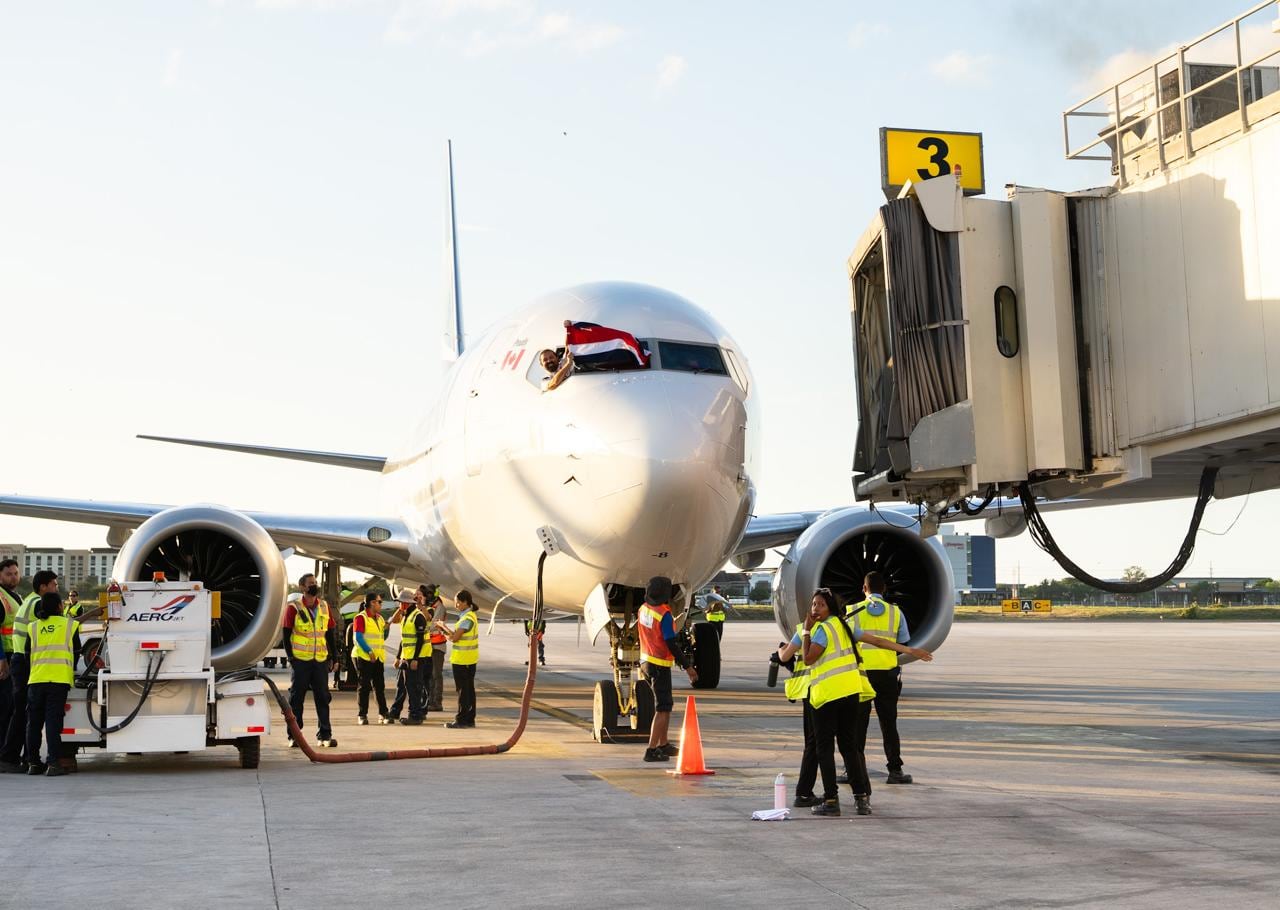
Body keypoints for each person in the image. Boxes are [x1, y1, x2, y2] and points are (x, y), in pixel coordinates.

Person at [803, 587, 932, 817]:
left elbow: (808, 658)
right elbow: (879, 642)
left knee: (825, 749)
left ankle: (831, 799)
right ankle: (861, 799)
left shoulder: (821, 630)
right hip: (851, 694)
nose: (815, 608)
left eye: (820, 604)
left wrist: (805, 632)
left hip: (827, 697)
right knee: (850, 748)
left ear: (830, 607)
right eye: (813, 604)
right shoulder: (846, 627)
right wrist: (910, 650)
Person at [848, 571, 919, 785]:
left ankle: (854, 770)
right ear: (884, 590)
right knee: (889, 724)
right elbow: (903, 644)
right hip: (887, 675)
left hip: (860, 676)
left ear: (864, 588)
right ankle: (895, 770)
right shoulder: (895, 613)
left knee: (857, 725)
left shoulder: (852, 612)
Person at [0, 569, 58, 773]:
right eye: (54, 585)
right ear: (43, 587)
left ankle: (19, 757)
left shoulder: (29, 599)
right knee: (24, 712)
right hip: (23, 662)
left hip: (19, 659)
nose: (56, 589)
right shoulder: (37, 604)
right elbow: (58, 624)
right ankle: (10, 757)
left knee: (21, 711)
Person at [637, 575, 698, 763]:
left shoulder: (643, 609)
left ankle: (663, 744)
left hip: (646, 661)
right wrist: (688, 667)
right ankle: (651, 749)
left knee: (666, 705)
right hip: (659, 665)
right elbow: (671, 643)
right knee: (662, 708)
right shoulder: (664, 614)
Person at [24, 591, 79, 777]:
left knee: (34, 724)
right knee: (53, 724)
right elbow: (77, 650)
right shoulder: (69, 625)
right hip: (58, 680)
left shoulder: (32, 627)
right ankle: (53, 763)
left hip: (36, 680)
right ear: (59, 607)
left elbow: (26, 655)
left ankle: (33, 763)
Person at [282, 572, 339, 748]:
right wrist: (291, 658)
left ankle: (325, 735)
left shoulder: (324, 606)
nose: (314, 585)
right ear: (302, 587)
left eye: (315, 582)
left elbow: (330, 634)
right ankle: (295, 736)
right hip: (301, 661)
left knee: (323, 697)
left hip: (320, 660)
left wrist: (334, 657)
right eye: (310, 583)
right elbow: (285, 634)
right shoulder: (293, 608)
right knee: (296, 699)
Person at [773, 631, 818, 807]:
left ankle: (807, 792)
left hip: (813, 691)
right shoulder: (842, 627)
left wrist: (781, 653)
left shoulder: (803, 630)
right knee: (824, 745)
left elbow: (784, 656)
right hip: (827, 692)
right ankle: (857, 794)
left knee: (815, 744)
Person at [437, 590, 478, 728]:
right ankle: (470, 719)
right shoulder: (468, 617)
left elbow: (455, 638)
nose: (455, 605)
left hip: (463, 660)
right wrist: (444, 629)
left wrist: (444, 630)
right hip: (468, 659)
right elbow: (456, 635)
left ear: (465, 602)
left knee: (463, 691)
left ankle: (462, 719)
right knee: (469, 690)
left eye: (457, 602)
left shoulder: (467, 619)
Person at [351, 593, 390, 725]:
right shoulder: (361, 618)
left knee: (379, 686)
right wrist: (369, 651)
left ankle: (383, 713)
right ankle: (362, 715)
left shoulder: (379, 618)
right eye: (380, 602)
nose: (381, 604)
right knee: (364, 686)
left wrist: (387, 629)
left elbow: (381, 637)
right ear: (372, 603)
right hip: (363, 656)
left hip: (377, 657)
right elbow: (358, 638)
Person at [396, 590, 431, 725]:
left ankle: (415, 715)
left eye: (401, 603)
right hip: (407, 657)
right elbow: (404, 640)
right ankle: (415, 713)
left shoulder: (418, 616)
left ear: (406, 603)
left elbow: (420, 639)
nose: (399, 605)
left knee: (415, 686)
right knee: (409, 686)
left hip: (416, 658)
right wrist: (399, 657)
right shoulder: (405, 617)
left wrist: (415, 659)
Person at [0, 559, 20, 763]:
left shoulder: (13, 596)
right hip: (5, 657)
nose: (13, 577)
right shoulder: (1, 597)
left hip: (13, 655)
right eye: (8, 574)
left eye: (15, 573)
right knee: (5, 708)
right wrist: (2, 660)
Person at [424, 586, 446, 712]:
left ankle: (437, 702)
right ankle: (431, 701)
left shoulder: (439, 608)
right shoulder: (431, 608)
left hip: (438, 646)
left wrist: (423, 626)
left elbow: (433, 625)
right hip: (430, 646)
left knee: (436, 674)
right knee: (430, 676)